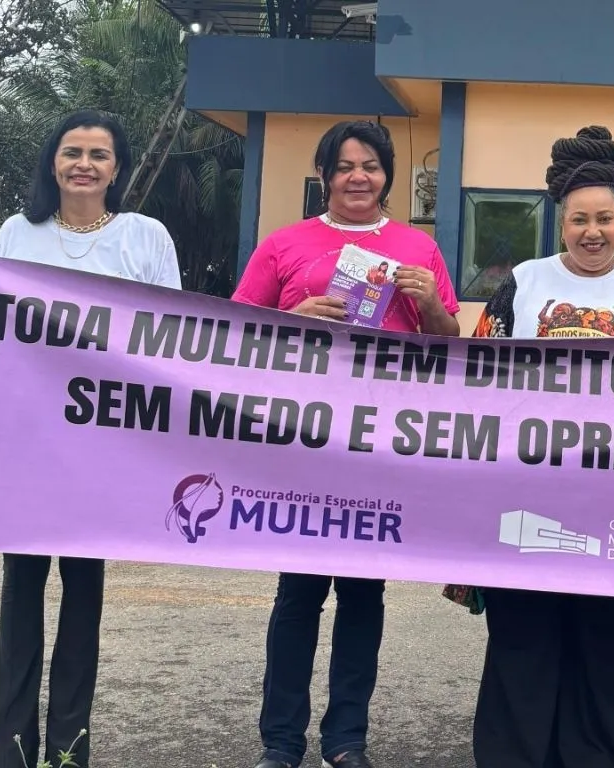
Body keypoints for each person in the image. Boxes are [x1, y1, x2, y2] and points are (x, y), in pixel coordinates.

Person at [0, 108, 182, 768]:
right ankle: (8, 745)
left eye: (99, 153)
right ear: (53, 162)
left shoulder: (144, 237)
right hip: (25, 443)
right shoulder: (18, 231)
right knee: (20, 591)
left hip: (104, 443)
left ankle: (70, 743)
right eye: (72, 151)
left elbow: (175, 336)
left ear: (117, 168)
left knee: (84, 593)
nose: (84, 164)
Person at [464, 125, 614, 768]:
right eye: (579, 219)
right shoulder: (522, 284)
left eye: (604, 218)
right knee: (522, 641)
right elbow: (475, 378)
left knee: (602, 648)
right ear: (560, 220)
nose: (592, 231)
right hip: (526, 496)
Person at [231, 119, 460, 768]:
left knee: (364, 593)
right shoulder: (284, 244)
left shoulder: (418, 248)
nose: (358, 177)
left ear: (388, 175)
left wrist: (430, 305)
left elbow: (452, 346)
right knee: (299, 592)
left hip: (379, 444)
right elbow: (234, 329)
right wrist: (290, 318)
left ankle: (346, 740)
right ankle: (280, 742)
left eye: (371, 166)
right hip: (303, 439)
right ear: (324, 175)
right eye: (344, 166)